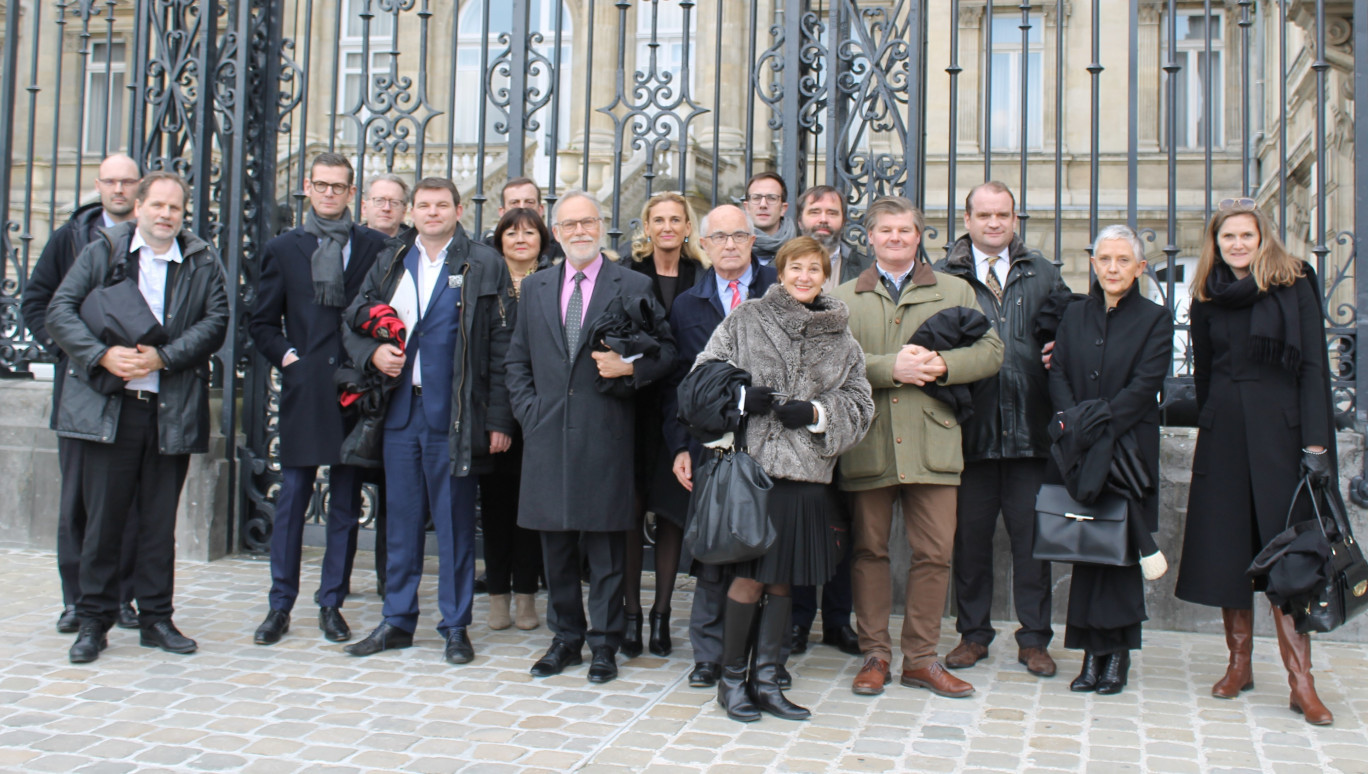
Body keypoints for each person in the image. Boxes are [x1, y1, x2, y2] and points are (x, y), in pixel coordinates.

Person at [46, 171, 229, 663]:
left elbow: (216, 322)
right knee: (104, 519)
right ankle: (93, 621)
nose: (166, 215)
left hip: (169, 409)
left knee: (156, 523)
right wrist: (101, 356)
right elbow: (60, 310)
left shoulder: (200, 259)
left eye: (175, 207)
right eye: (158, 206)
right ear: (140, 207)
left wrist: (162, 359)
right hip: (112, 407)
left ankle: (155, 618)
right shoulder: (103, 250)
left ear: (183, 213)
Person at [690, 235, 874, 722]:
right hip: (754, 473)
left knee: (783, 584)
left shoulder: (843, 338)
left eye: (815, 269)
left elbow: (860, 405)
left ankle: (766, 680)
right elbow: (703, 376)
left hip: (807, 477)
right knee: (749, 580)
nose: (804, 277)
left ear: (825, 275)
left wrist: (814, 413)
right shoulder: (746, 319)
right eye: (796, 267)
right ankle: (731, 682)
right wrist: (747, 400)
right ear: (781, 271)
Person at [832, 196, 1003, 699]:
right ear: (870, 237)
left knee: (935, 554)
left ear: (919, 235)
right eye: (886, 231)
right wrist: (891, 369)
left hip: (934, 440)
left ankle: (922, 659)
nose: (896, 238)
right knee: (869, 552)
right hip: (870, 441)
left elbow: (991, 351)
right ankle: (875, 655)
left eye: (906, 230)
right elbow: (827, 365)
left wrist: (943, 367)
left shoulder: (954, 290)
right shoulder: (842, 298)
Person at [340, 177, 515, 666]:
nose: (432, 213)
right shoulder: (392, 259)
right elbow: (353, 317)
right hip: (400, 411)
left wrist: (499, 418)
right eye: (424, 205)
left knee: (457, 523)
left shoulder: (483, 263)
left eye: (442, 205)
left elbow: (502, 348)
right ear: (411, 211)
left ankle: (455, 625)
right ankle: (397, 619)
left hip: (455, 416)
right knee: (401, 520)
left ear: (459, 210)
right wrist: (373, 352)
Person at [1174, 201, 1336, 725]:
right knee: (1228, 551)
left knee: (1291, 560)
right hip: (1224, 435)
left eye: (1246, 235)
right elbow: (1203, 374)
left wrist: (1315, 446)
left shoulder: (1294, 282)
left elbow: (1313, 369)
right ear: (1215, 243)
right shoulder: (1206, 295)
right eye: (1228, 238)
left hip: (1281, 437)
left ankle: (1300, 682)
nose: (1238, 245)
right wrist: (1214, 421)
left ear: (1262, 236)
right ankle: (1238, 663)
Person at [505, 190, 676, 685]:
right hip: (547, 434)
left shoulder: (632, 284)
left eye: (588, 222)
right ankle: (565, 639)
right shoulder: (536, 288)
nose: (580, 231)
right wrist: (529, 411)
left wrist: (630, 366)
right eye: (569, 224)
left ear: (602, 227)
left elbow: (666, 352)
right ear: (555, 233)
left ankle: (604, 643)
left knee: (605, 548)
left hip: (607, 433)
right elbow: (517, 359)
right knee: (554, 545)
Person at [247, 153, 388, 646]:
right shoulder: (285, 248)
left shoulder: (375, 245)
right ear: (308, 187)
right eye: (322, 185)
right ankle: (279, 604)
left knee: (346, 503)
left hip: (354, 390)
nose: (330, 194)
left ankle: (332, 602)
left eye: (339, 187)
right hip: (306, 390)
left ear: (353, 193)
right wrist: (289, 358)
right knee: (293, 499)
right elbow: (261, 321)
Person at [935, 181, 1069, 678]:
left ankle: (1034, 639)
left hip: (1031, 432)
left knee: (1033, 542)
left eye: (1003, 215)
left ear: (1015, 220)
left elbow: (1065, 329)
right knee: (969, 542)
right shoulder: (946, 275)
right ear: (967, 219)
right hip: (968, 432)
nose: (994, 223)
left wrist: (1063, 349)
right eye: (984, 215)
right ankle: (973, 635)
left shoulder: (1044, 273)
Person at [1048, 225, 1172, 696]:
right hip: (1080, 451)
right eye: (1105, 259)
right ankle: (1087, 654)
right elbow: (1058, 374)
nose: (1113, 268)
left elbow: (1145, 386)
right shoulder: (1075, 314)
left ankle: (1116, 656)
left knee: (1119, 552)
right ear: (1093, 264)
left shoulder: (1156, 318)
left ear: (1140, 268)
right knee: (1088, 548)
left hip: (1127, 451)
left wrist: (1094, 424)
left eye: (1124, 260)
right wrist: (1075, 424)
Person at [23, 153, 143, 634]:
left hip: (137, 386)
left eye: (127, 181)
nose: (118, 189)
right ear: (99, 184)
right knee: (77, 501)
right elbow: (39, 302)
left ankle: (121, 598)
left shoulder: (154, 240)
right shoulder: (71, 237)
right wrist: (71, 352)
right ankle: (76, 599)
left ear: (139, 186)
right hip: (82, 390)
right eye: (110, 181)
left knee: (130, 503)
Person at [663, 203, 778, 689]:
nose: (729, 245)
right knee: (714, 549)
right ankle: (709, 655)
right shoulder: (689, 303)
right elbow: (677, 386)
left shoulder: (778, 290)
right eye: (719, 237)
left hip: (772, 440)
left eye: (739, 235)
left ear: (754, 241)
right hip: (711, 446)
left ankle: (762, 654)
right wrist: (680, 446)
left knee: (766, 550)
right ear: (704, 245)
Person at [622, 191, 708, 658]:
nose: (669, 227)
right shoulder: (629, 274)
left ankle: (661, 615)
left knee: (674, 512)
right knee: (632, 512)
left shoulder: (703, 277)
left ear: (689, 227)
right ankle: (631, 616)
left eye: (677, 219)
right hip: (634, 407)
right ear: (648, 227)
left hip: (681, 410)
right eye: (660, 219)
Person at [479, 207, 553, 632]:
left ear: (543, 240)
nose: (520, 239)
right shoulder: (487, 286)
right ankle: (497, 596)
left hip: (542, 419)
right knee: (496, 510)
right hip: (499, 420)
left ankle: (526, 594)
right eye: (511, 233)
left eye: (529, 232)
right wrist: (499, 421)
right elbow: (492, 360)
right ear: (500, 240)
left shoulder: (552, 284)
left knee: (533, 513)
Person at [796, 185, 872, 290]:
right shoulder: (776, 267)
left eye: (832, 213)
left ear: (843, 222)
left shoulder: (868, 271)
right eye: (814, 212)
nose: (823, 219)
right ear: (800, 221)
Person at [486, 177, 564, 264]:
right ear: (502, 212)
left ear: (540, 210)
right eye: (514, 203)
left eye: (529, 202)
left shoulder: (560, 246)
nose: (522, 208)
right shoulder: (486, 250)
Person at [743, 172, 794, 266]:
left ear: (783, 209)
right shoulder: (729, 247)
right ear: (746, 207)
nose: (763, 205)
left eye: (772, 198)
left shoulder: (800, 251)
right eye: (756, 198)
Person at [360, 173, 410, 238]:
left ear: (404, 212)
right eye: (379, 201)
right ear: (364, 208)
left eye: (394, 203)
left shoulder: (417, 246)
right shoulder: (349, 244)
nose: (386, 208)